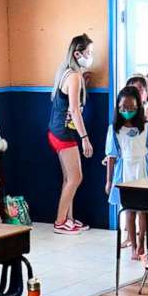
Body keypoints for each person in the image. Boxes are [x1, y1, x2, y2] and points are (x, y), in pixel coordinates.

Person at [105, 79, 148, 264]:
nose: (127, 111)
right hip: (125, 173)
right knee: (129, 211)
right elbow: (111, 156)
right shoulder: (114, 130)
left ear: (138, 107)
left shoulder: (146, 127)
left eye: (131, 107)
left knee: (143, 211)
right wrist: (109, 181)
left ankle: (141, 244)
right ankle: (133, 245)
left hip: (144, 170)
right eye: (123, 107)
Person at [49, 35, 95, 233]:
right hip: (63, 133)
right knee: (75, 178)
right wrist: (85, 139)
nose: (91, 57)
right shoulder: (73, 76)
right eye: (88, 53)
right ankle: (60, 222)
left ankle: (68, 218)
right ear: (77, 54)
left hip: (57, 130)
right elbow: (75, 111)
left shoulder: (68, 73)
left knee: (70, 179)